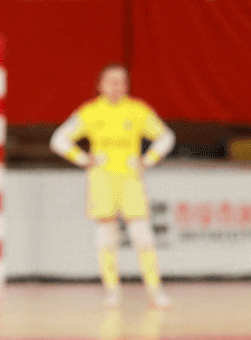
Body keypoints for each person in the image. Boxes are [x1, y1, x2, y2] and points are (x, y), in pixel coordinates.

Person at [49, 64, 175, 309]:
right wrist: (83, 159)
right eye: (111, 81)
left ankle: (155, 290)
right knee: (107, 238)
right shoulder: (90, 112)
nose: (116, 86)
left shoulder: (138, 111)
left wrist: (147, 160)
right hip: (102, 182)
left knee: (142, 236)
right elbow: (59, 140)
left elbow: (166, 137)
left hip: (130, 180)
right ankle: (112, 291)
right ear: (100, 85)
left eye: (121, 81)